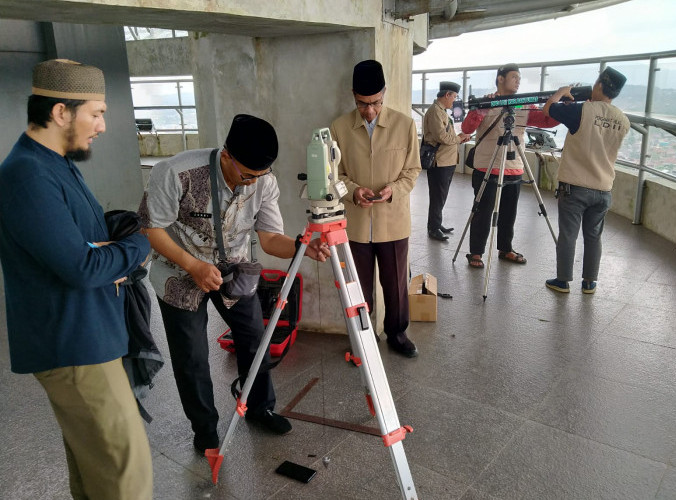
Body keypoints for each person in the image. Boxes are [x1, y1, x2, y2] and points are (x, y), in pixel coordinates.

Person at [0, 59, 153, 500]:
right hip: (74, 345)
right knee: (127, 474)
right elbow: (82, 267)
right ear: (61, 112)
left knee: (96, 473)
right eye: (97, 112)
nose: (103, 125)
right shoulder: (26, 175)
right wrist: (140, 246)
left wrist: (108, 248)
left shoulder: (55, 163)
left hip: (88, 336)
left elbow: (84, 248)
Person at [138, 114, 330, 453]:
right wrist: (193, 265)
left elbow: (270, 239)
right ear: (226, 156)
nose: (253, 183)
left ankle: (259, 407)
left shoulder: (264, 181)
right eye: (247, 175)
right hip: (179, 273)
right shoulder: (175, 173)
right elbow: (150, 229)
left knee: (255, 338)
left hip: (235, 271)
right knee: (192, 356)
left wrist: (302, 246)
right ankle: (205, 429)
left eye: (261, 175)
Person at [330, 60, 421, 358]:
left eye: (375, 103)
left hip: (393, 222)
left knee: (395, 285)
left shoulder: (405, 124)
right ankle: (362, 337)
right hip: (355, 224)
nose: (369, 110)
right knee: (359, 286)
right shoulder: (339, 128)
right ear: (353, 96)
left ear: (384, 93)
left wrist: (394, 190)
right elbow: (335, 175)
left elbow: (413, 171)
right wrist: (354, 192)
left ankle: (397, 333)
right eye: (362, 104)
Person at [461, 63, 559, 268]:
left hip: (514, 166)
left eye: (519, 78)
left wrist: (558, 103)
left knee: (509, 213)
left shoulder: (525, 105)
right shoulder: (487, 102)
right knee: (482, 212)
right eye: (514, 77)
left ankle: (505, 249)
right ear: (500, 79)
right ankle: (476, 252)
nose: (518, 81)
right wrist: (482, 108)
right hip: (487, 166)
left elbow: (547, 121)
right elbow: (467, 127)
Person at [543, 67, 630, 294]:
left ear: (599, 85)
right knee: (594, 236)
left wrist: (562, 91)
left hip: (575, 186)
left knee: (569, 234)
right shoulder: (623, 120)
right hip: (603, 188)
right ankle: (589, 282)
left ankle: (563, 281)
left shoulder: (583, 111)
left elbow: (549, 108)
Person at [422, 81, 470, 241]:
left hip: (447, 161)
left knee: (441, 195)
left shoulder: (441, 111)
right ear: (447, 94)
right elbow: (440, 136)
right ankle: (433, 228)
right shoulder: (435, 111)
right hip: (439, 162)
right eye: (454, 96)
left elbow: (446, 135)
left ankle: (437, 223)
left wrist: (459, 139)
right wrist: (458, 138)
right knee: (437, 195)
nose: (454, 100)